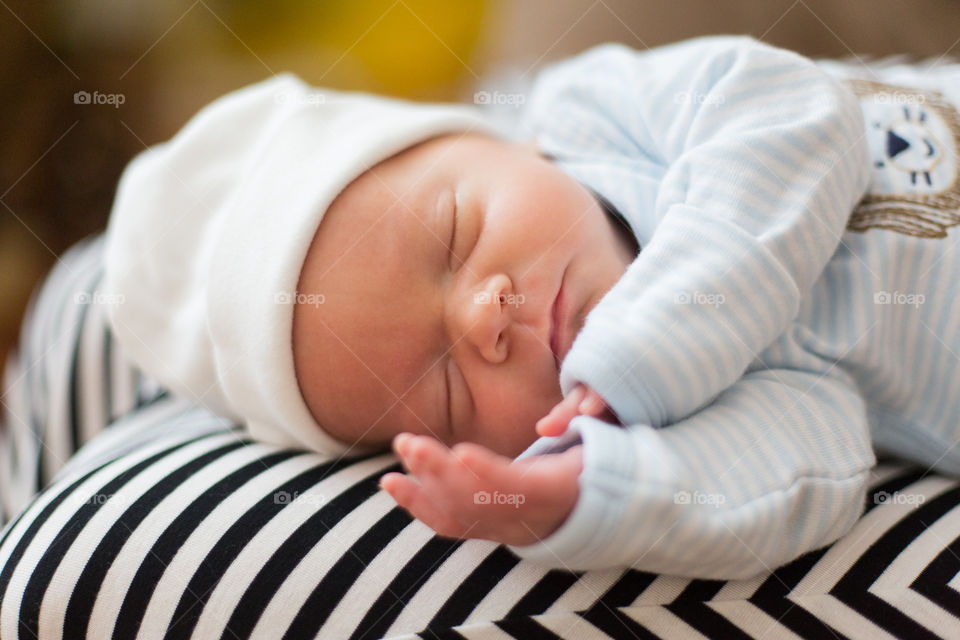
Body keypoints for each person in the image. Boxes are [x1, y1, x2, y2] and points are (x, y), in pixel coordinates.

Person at [102, 34, 960, 579]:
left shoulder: (593, 113)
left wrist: (644, 350)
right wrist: (586, 495)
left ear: (496, 142)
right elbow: (812, 466)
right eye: (446, 391)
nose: (483, 319)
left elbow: (797, 113)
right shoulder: (647, 421)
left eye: (452, 234)